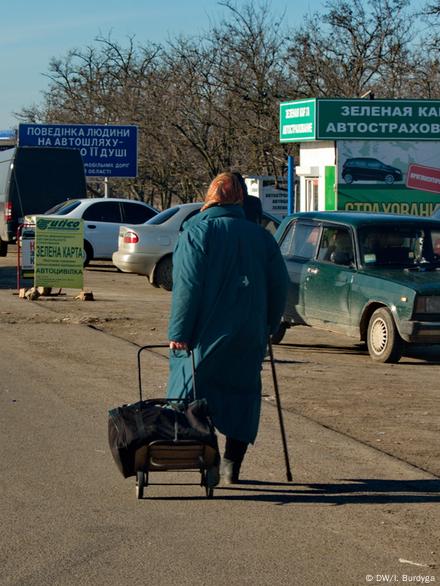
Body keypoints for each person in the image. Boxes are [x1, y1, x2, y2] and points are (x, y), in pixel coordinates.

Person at [166, 172, 288, 485]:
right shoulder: (261, 237)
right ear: (240, 199)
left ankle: (209, 460)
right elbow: (279, 286)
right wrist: (269, 326)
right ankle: (233, 464)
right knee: (242, 395)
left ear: (211, 197)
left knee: (194, 395)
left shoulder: (196, 232)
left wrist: (179, 332)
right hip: (249, 333)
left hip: (205, 333)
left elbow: (187, 288)